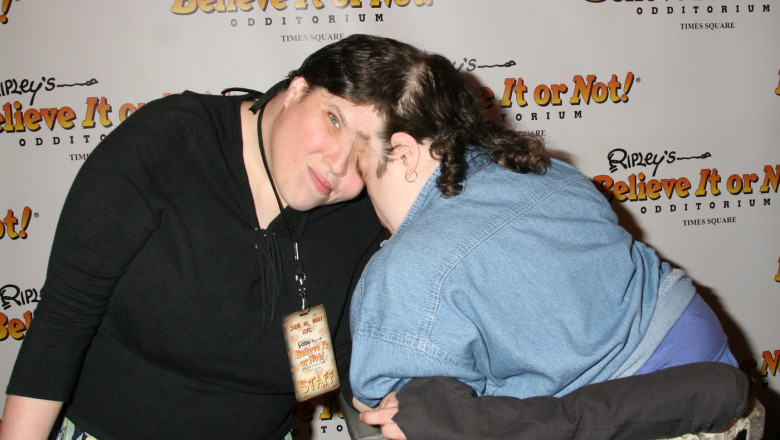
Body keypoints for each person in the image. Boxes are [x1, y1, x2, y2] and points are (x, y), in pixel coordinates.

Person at [326, 34, 742, 436]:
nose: (349, 177)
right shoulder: (541, 170)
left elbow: (383, 405)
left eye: (358, 158)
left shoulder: (405, 269)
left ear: (403, 152)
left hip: (625, 409)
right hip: (702, 352)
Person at [0, 66, 387, 438]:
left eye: (364, 152)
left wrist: (400, 398)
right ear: (298, 90)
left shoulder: (357, 216)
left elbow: (328, 361)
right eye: (334, 120)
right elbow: (64, 319)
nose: (338, 164)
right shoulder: (171, 139)